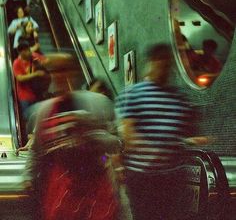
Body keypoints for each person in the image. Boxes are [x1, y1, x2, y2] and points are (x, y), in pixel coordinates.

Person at [115, 43, 209, 220]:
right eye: (161, 62)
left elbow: (185, 133)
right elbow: (128, 136)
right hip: (142, 177)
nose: (165, 68)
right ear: (150, 62)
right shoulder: (133, 94)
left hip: (172, 176)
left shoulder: (179, 97)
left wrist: (190, 140)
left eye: (168, 64)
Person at [25, 90, 121, 220]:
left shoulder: (99, 103)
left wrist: (91, 135)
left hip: (95, 192)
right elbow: (36, 149)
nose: (62, 76)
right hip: (61, 193)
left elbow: (117, 143)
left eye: (66, 70)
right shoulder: (46, 110)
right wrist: (29, 176)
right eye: (57, 72)